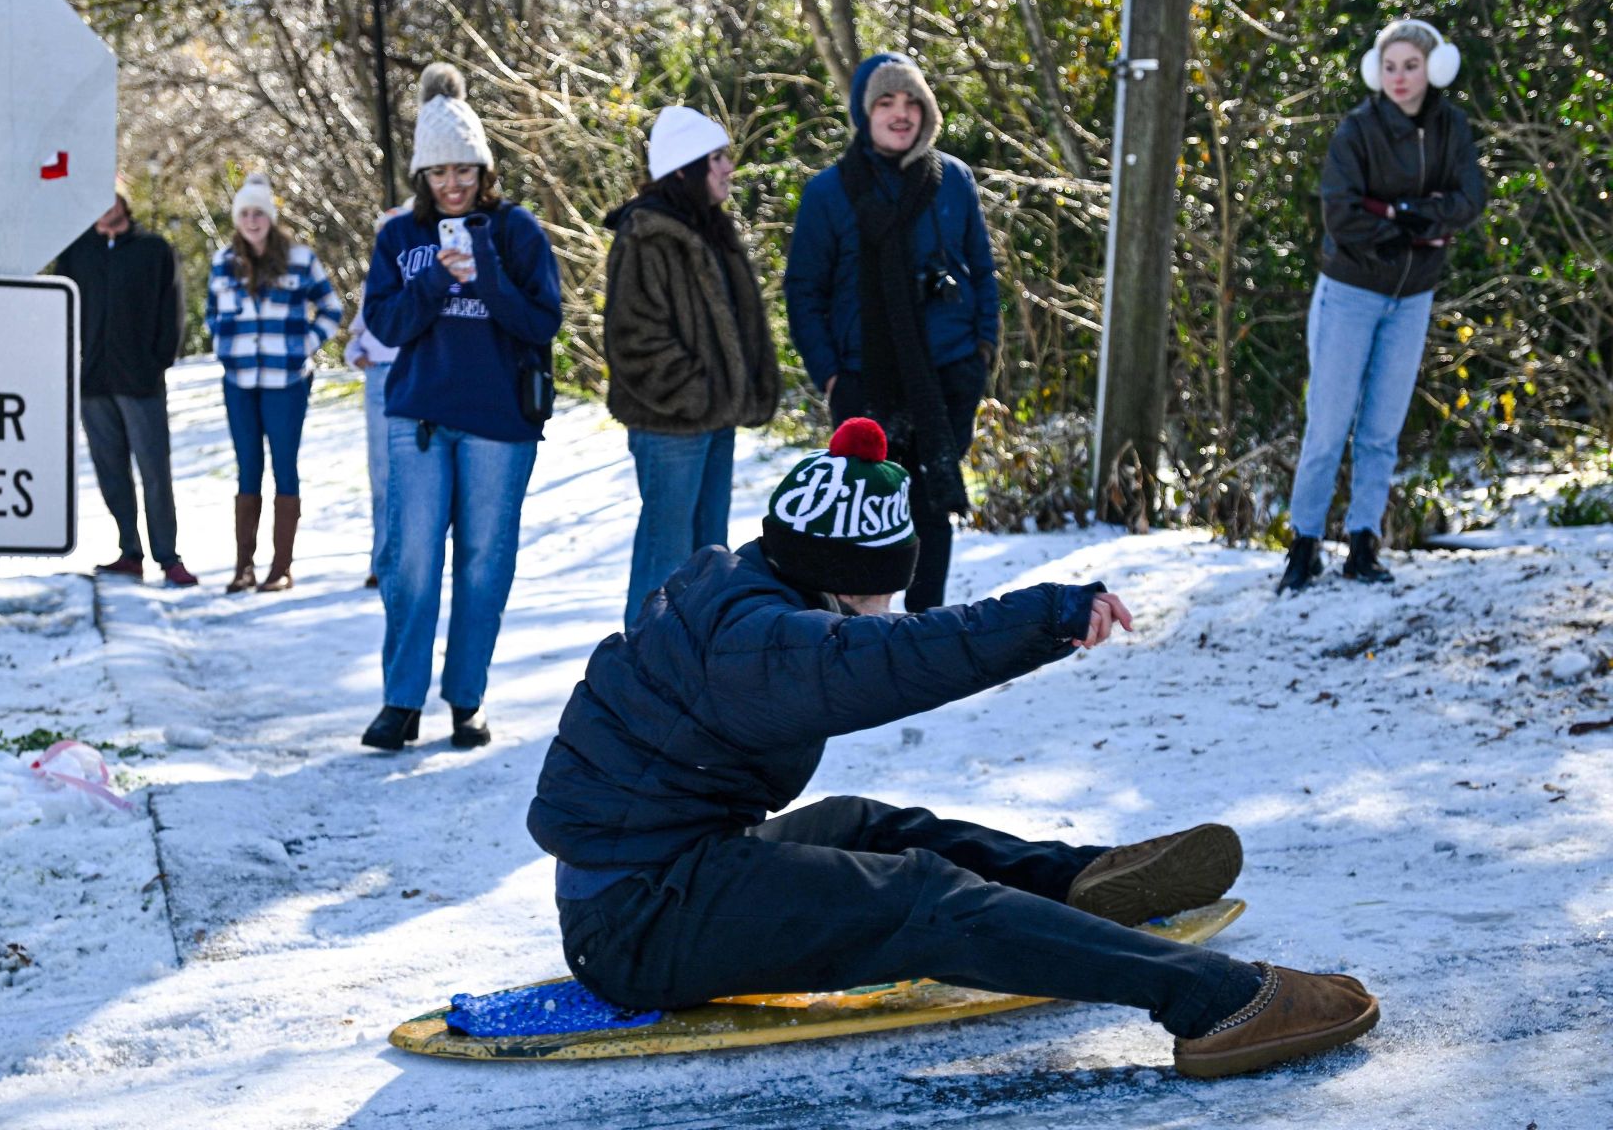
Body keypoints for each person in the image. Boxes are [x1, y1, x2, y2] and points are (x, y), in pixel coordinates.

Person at [529, 418, 1381, 1079]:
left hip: (659, 875)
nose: (890, 609)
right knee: (919, 898)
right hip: (640, 924)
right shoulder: (764, 643)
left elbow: (875, 645)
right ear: (839, 576)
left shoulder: (744, 586)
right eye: (886, 590)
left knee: (869, 825)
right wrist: (1047, 615)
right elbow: (901, 658)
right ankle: (1219, 1003)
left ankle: (1076, 883)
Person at [360, 63, 562, 751]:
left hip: (500, 424)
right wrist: (435, 289)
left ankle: (466, 699)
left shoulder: (516, 231)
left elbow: (542, 322)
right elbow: (385, 326)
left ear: (484, 170)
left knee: (484, 563)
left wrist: (486, 272)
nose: (453, 185)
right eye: (440, 173)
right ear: (422, 176)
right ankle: (401, 702)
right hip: (419, 418)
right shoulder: (399, 238)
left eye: (465, 171)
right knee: (411, 560)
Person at [785, 52, 1000, 613]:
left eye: (911, 102)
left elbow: (983, 264)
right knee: (865, 507)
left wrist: (982, 350)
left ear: (926, 110)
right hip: (864, 380)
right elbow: (803, 291)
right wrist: (830, 375)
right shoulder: (829, 193)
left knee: (933, 504)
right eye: (886, 102)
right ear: (865, 113)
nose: (900, 114)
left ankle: (926, 627)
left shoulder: (953, 179)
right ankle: (864, 629)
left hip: (948, 373)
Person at [1280, 19, 1486, 593]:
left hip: (1413, 297)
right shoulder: (1357, 131)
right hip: (1350, 293)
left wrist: (1408, 212)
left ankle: (1364, 542)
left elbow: (1470, 199)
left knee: (1381, 429)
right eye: (1390, 66)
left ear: (1434, 68)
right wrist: (1406, 225)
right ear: (1377, 70)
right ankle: (1304, 544)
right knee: (1328, 423)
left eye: (1411, 66)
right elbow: (1341, 213)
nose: (1399, 77)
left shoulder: (1453, 128)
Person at [604, 106, 780, 626]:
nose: (729, 167)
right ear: (683, 168)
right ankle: (639, 671)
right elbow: (634, 339)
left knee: (709, 559)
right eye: (717, 158)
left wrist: (729, 394)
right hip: (671, 426)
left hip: (714, 419)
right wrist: (699, 392)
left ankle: (696, 667)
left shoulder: (710, 228)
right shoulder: (647, 234)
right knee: (665, 558)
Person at [205, 173, 343, 593]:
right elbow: (212, 312)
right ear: (237, 219)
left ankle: (280, 567)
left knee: (285, 466)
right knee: (248, 468)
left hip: (286, 380)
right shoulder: (223, 261)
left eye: (258, 213)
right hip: (240, 380)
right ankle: (243, 566)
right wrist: (223, 345)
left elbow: (331, 309)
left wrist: (306, 344)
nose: (252, 220)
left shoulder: (300, 260)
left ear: (270, 217)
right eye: (244, 213)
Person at [55, 192, 198, 587]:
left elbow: (172, 311)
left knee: (154, 472)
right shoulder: (76, 252)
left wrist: (157, 363)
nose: (104, 205)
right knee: (111, 473)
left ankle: (168, 557)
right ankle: (129, 551)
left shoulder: (153, 250)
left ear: (125, 201)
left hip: (141, 384)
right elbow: (58, 308)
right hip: (93, 384)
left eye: (111, 196)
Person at [343, 298, 399, 590]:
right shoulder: (380, 276)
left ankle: (416, 562)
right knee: (383, 477)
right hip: (379, 377)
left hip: (422, 373)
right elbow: (356, 340)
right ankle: (382, 562)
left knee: (424, 477)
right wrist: (358, 358)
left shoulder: (439, 264)